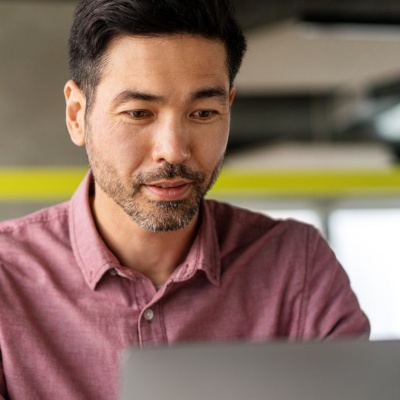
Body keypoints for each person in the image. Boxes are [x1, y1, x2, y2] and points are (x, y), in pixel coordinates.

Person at [0, 0, 369, 399]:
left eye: (204, 113)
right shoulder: (7, 280)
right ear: (77, 115)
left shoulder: (297, 269)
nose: (174, 151)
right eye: (139, 113)